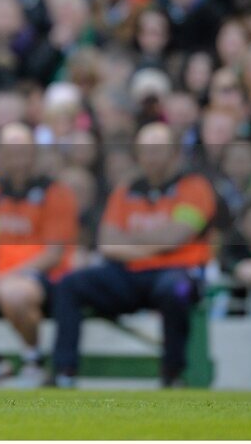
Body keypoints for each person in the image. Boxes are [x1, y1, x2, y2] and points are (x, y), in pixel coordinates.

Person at [52, 123, 215, 388]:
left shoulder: (195, 187)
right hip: (129, 274)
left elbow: (175, 237)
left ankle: (173, 374)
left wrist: (133, 241)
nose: (150, 157)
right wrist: (156, 245)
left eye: (157, 150)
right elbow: (107, 244)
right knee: (71, 284)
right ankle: (63, 372)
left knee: (176, 291)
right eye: (145, 150)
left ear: (174, 152)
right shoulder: (126, 190)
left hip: (179, 273)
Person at [0, 122, 79, 387]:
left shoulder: (56, 193)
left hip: (41, 278)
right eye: (10, 151)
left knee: (13, 294)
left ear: (34, 152)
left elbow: (53, 254)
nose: (17, 158)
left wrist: (6, 277)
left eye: (23, 150)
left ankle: (33, 360)